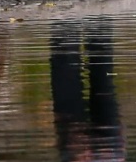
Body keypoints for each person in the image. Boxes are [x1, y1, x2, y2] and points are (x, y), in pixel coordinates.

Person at [50, 19, 127, 161]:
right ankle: (90, 23)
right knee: (96, 82)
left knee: (71, 87)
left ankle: (72, 26)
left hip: (109, 152)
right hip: (110, 152)